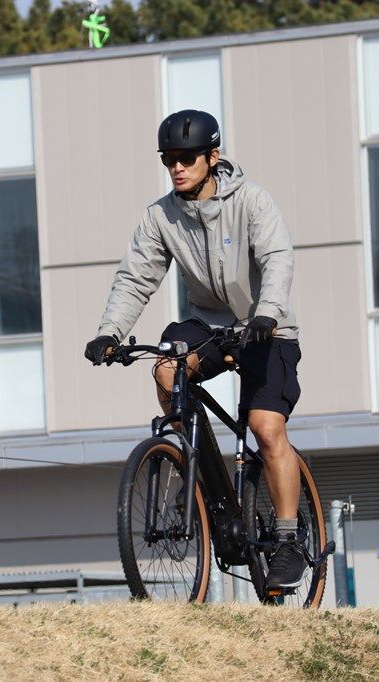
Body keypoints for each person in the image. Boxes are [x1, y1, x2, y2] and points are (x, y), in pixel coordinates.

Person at [83, 110, 305, 590]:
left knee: (267, 430)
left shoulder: (252, 201)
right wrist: (110, 332)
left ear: (213, 156)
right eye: (170, 160)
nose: (177, 168)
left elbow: (276, 259)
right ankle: (197, 467)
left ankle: (287, 540)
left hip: (267, 327)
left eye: (186, 158)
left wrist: (266, 312)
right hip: (210, 324)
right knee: (166, 369)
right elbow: (136, 276)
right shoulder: (162, 215)